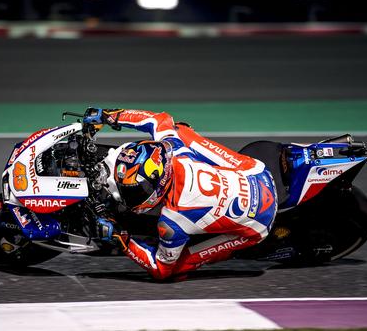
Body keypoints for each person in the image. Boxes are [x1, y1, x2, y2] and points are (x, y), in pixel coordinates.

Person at [86, 108, 277, 280]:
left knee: (176, 268)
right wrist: (110, 116)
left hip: (259, 223)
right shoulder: (175, 151)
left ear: (157, 186)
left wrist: (121, 239)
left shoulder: (172, 220)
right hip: (257, 173)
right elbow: (159, 119)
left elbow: (160, 269)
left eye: (136, 191)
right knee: (179, 130)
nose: (131, 196)